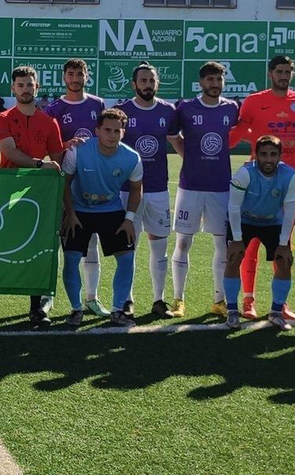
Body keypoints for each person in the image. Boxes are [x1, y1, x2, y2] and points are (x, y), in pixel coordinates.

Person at [228, 55, 295, 319]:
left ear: (292, 74)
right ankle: (249, 300)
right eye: (279, 71)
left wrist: (291, 159)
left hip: (287, 181)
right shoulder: (254, 102)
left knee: (284, 244)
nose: (283, 75)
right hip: (257, 180)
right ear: (270, 73)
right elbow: (238, 132)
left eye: (288, 71)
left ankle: (280, 304)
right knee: (248, 247)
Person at [0, 65, 68, 328]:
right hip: (4, 192)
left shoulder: (49, 123)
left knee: (37, 252)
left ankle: (36, 309)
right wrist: (39, 164)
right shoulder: (2, 118)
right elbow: (10, 153)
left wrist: (61, 198)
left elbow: (58, 162)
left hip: (37, 196)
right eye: (20, 85)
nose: (25, 89)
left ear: (37, 87)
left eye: (30, 84)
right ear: (13, 88)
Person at [166, 61, 239, 319]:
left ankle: (219, 300)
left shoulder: (231, 108)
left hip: (221, 187)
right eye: (210, 79)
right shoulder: (186, 108)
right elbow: (174, 137)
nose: (214, 84)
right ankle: (178, 300)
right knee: (183, 241)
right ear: (201, 82)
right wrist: (190, 157)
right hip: (190, 186)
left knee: (222, 242)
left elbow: (239, 133)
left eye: (219, 80)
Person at [59, 108, 143, 328]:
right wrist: (70, 214)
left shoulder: (132, 157)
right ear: (97, 130)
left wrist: (129, 219)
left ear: (123, 133)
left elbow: (136, 189)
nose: (112, 135)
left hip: (111, 210)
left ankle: (118, 310)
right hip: (78, 212)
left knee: (126, 257)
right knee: (71, 258)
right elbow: (65, 183)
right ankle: (76, 310)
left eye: (117, 130)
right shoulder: (78, 152)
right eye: (107, 129)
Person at [44, 57, 111, 316]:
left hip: (92, 183)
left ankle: (92, 298)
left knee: (91, 243)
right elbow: (51, 149)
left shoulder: (97, 104)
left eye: (79, 73)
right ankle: (48, 297)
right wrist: (66, 145)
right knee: (60, 243)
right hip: (64, 184)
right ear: (64, 78)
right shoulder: (54, 109)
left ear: (87, 75)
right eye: (70, 74)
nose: (75, 78)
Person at [116, 62, 179, 318]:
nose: (147, 85)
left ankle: (158, 300)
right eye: (142, 80)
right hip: (128, 190)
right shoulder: (121, 111)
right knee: (128, 247)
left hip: (157, 189)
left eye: (151, 80)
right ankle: (127, 301)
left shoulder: (169, 110)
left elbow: (176, 141)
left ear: (157, 83)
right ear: (134, 84)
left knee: (159, 246)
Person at [222, 136, 295, 331]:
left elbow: (290, 211)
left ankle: (275, 312)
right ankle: (232, 312)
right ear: (255, 155)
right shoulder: (244, 173)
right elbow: (233, 207)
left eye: (273, 154)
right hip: (244, 221)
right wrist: (237, 240)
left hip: (273, 222)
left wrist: (283, 244)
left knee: (284, 262)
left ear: (280, 156)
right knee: (234, 258)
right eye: (263, 154)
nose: (268, 159)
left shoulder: (289, 175)